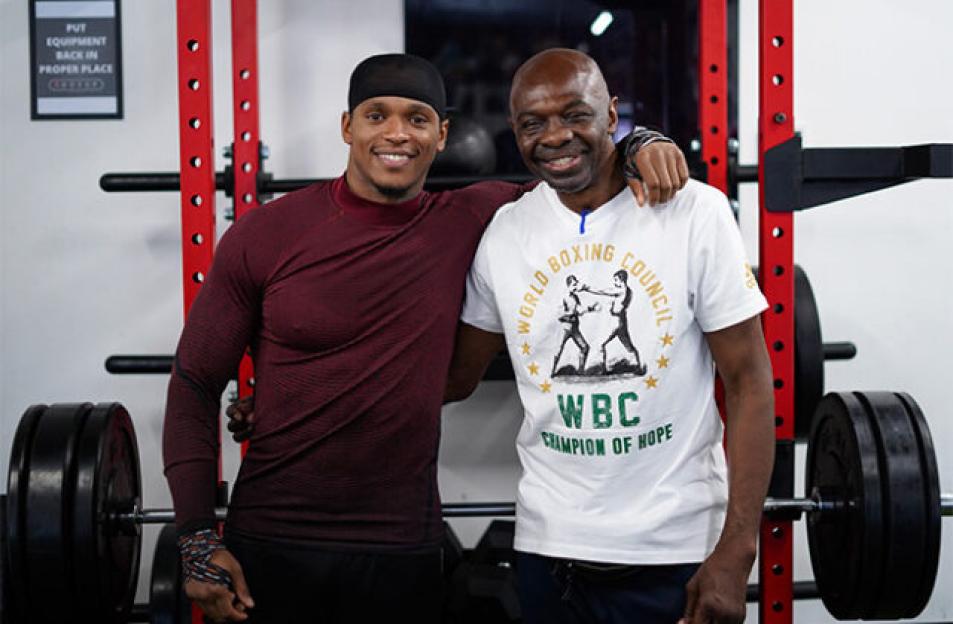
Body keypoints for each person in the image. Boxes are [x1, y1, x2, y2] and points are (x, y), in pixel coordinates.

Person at [162, 52, 689, 623]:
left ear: (442, 135)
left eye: (417, 119)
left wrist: (643, 144)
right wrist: (194, 539)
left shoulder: (473, 218)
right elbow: (193, 384)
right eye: (376, 115)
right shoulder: (266, 233)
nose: (396, 133)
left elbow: (575, 171)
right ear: (348, 127)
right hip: (270, 542)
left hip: (402, 550)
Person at [443, 49, 775, 624]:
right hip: (548, 553)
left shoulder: (695, 213)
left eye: (575, 114)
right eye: (533, 123)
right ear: (514, 131)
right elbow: (452, 377)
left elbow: (749, 383)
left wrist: (736, 551)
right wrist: (290, 390)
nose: (556, 136)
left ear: (612, 115)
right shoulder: (506, 233)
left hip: (676, 553)